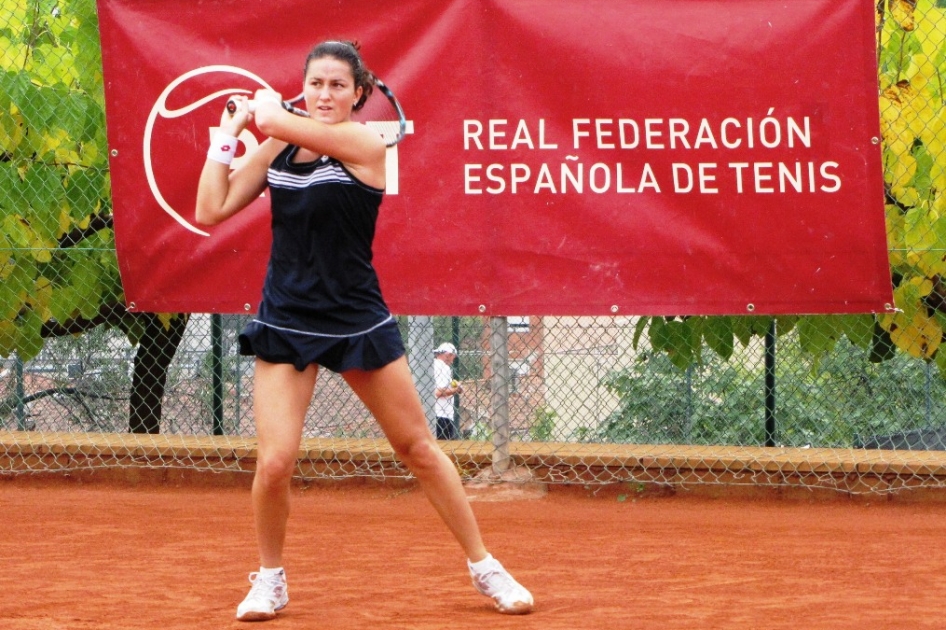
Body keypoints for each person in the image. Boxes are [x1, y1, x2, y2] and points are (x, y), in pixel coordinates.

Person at [195, 40, 533, 622]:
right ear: (306, 88)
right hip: (286, 319)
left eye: (336, 85)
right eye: (316, 84)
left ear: (358, 94)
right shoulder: (280, 141)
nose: (324, 95)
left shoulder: (365, 143)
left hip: (355, 318)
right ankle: (270, 579)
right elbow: (211, 208)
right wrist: (227, 138)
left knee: (418, 449)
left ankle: (485, 567)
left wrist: (268, 108)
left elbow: (276, 115)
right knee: (274, 463)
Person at [433, 342, 463, 440]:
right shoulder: (444, 368)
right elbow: (439, 392)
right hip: (442, 416)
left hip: (431, 414)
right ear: (448, 355)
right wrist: (456, 390)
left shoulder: (432, 365)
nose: (453, 360)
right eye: (453, 357)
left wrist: (454, 384)